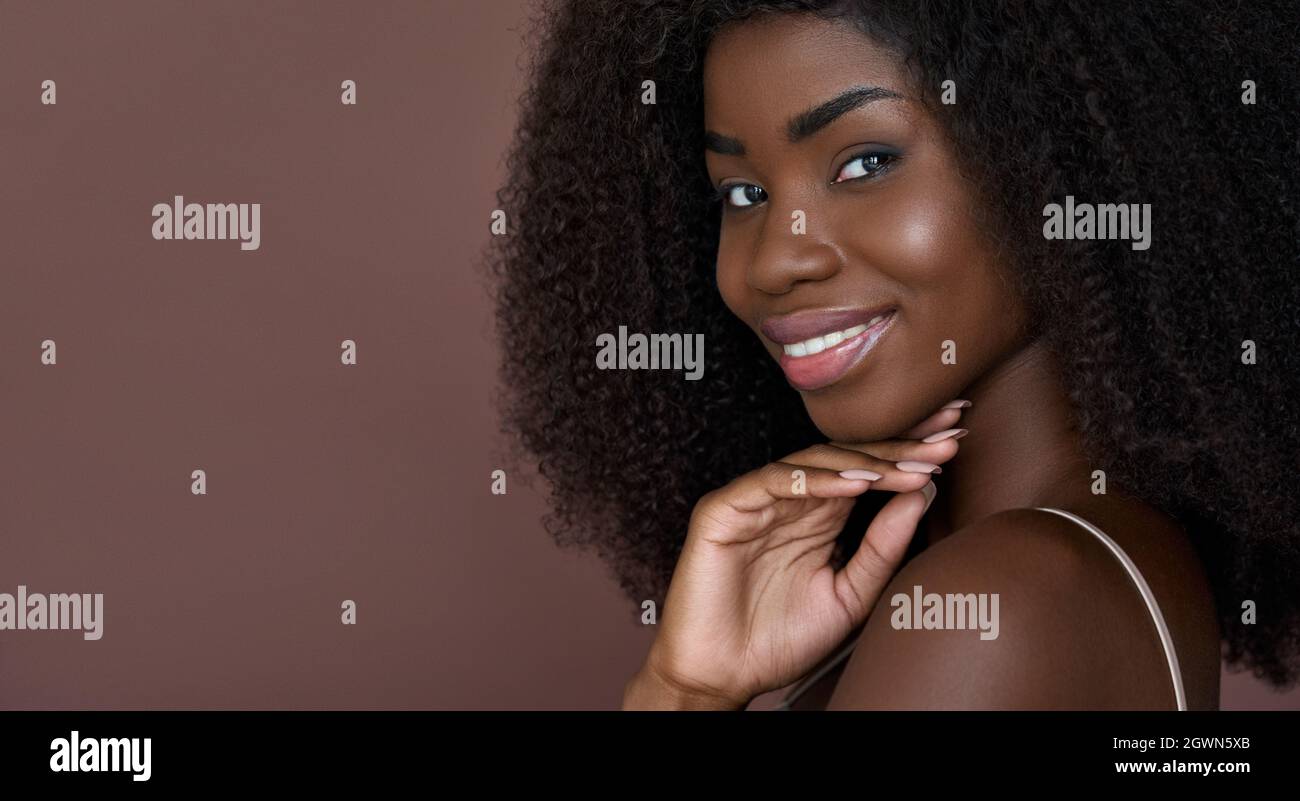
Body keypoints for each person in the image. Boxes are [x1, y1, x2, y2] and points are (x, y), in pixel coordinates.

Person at [488, 0, 1299, 709]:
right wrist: (686, 689)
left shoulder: (996, 600)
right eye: (744, 193)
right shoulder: (1065, 559)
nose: (775, 260)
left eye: (866, 162)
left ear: (1057, 160)